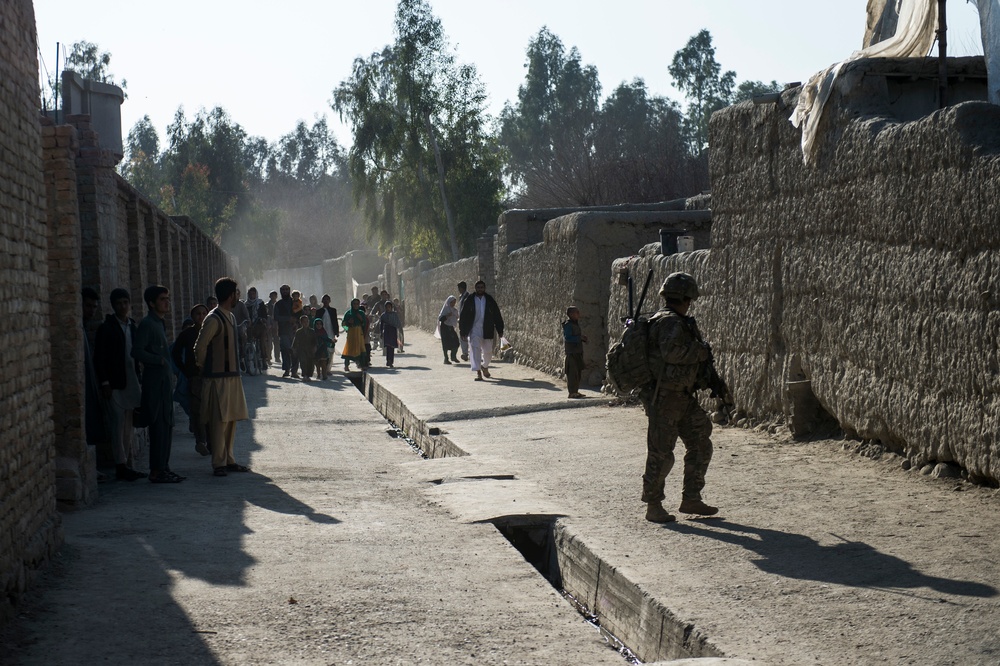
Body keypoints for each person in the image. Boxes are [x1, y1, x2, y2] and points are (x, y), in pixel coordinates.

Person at [641, 272, 718, 524]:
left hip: (682, 396)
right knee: (661, 452)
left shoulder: (678, 321)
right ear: (684, 297)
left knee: (700, 441)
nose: (690, 304)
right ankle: (654, 505)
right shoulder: (670, 322)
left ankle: (691, 498)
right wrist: (700, 351)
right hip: (665, 398)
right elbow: (672, 353)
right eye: (689, 299)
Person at [194, 277, 251, 477]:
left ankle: (229, 459)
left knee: (231, 420)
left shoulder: (231, 317)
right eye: (236, 293)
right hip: (217, 378)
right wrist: (203, 367)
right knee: (219, 421)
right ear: (230, 295)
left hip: (232, 377)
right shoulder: (213, 319)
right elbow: (200, 346)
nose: (238, 297)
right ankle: (219, 462)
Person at [93, 288, 145, 480]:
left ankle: (127, 462)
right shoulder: (106, 328)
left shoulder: (132, 326)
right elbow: (100, 357)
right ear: (113, 306)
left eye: (125, 302)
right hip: (114, 384)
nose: (122, 306)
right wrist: (105, 382)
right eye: (118, 303)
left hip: (130, 381)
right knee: (117, 424)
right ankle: (120, 465)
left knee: (128, 425)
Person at [133, 285, 183, 483]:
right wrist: (158, 360)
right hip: (154, 384)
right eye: (162, 299)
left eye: (167, 298)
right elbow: (136, 351)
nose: (166, 302)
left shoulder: (159, 323)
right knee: (158, 426)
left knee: (167, 424)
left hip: (163, 384)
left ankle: (164, 466)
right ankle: (156, 470)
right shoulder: (147, 324)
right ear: (152, 303)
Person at [171, 303, 211, 457]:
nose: (201, 317)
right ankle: (200, 441)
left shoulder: (211, 331)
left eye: (203, 313)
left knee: (210, 410)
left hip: (210, 376)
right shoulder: (187, 334)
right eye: (197, 314)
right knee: (197, 411)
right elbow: (175, 353)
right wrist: (185, 370)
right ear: (192, 317)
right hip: (194, 377)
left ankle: (210, 442)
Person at [458, 280, 504, 381]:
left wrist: (500, 329)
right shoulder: (470, 300)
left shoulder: (489, 300)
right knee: (475, 350)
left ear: (484, 288)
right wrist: (463, 331)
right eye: (478, 287)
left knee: (488, 351)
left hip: (487, 329)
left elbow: (497, 314)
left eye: (482, 287)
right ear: (475, 288)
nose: (480, 289)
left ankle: (485, 366)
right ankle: (478, 372)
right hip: (474, 330)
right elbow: (463, 316)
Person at [563, 306, 588, 399]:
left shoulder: (575, 324)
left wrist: (582, 338)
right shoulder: (568, 325)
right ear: (571, 314)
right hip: (571, 353)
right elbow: (568, 338)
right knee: (572, 373)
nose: (578, 314)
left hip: (577, 352)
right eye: (576, 313)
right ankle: (572, 392)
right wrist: (579, 338)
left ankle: (576, 391)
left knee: (578, 372)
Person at [274, 284, 299, 378]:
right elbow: (276, 317)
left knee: (295, 350)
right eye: (283, 290)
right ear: (281, 292)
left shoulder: (295, 303)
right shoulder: (278, 304)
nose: (285, 291)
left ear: (289, 291)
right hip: (283, 330)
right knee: (285, 350)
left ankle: (294, 371)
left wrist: (296, 322)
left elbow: (301, 314)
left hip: (294, 330)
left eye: (286, 290)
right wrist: (287, 319)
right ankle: (287, 369)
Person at [341, 298, 369, 371]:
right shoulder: (348, 313)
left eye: (357, 304)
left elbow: (364, 324)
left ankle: (362, 365)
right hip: (351, 332)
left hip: (359, 332)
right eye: (354, 304)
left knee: (361, 347)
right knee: (349, 347)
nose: (356, 305)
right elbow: (343, 324)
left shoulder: (361, 313)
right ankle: (346, 365)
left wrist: (361, 319)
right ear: (352, 304)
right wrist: (348, 323)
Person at [315, 295, 339, 378]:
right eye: (324, 299)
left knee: (330, 351)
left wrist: (336, 332)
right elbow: (316, 322)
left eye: (327, 299)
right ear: (322, 301)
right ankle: (321, 369)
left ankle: (328, 369)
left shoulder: (333, 310)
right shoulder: (319, 311)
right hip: (321, 333)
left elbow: (335, 321)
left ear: (330, 301)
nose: (325, 301)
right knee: (322, 351)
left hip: (331, 332)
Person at [292, 314, 318, 381]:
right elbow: (296, 341)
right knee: (303, 362)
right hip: (301, 349)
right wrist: (294, 349)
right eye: (304, 322)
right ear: (301, 323)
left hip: (310, 349)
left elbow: (315, 341)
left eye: (307, 321)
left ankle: (309, 375)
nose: (306, 323)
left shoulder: (312, 331)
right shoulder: (299, 331)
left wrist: (314, 348)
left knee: (310, 363)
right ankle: (304, 375)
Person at [379, 302, 403, 368]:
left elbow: (398, 323)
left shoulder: (394, 315)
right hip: (386, 331)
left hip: (393, 331)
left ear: (391, 307)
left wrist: (400, 331)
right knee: (388, 347)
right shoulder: (383, 315)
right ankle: (388, 360)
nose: (388, 308)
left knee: (392, 347)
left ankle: (391, 361)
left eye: (389, 307)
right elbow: (381, 325)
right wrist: (381, 332)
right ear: (385, 308)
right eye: (387, 307)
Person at [437, 295, 460, 364]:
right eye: (452, 302)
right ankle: (446, 359)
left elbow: (457, 317)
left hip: (451, 327)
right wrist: (447, 316)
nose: (453, 304)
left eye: (454, 302)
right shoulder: (445, 309)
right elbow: (440, 319)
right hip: (444, 328)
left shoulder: (454, 310)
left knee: (456, 342)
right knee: (445, 343)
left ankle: (453, 356)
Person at [456, 281, 470, 361]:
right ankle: (465, 353)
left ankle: (467, 353)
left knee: (466, 336)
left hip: (466, 320)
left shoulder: (468, 297)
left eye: (459, 288)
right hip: (461, 320)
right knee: (462, 336)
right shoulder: (461, 297)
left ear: (462, 288)